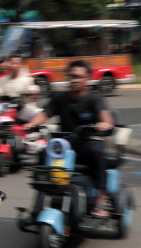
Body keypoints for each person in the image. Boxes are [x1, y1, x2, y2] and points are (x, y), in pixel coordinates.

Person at [26, 59, 114, 217]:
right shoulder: (60, 98)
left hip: (88, 142)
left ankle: (101, 198)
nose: (75, 80)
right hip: (66, 144)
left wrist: (105, 124)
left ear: (87, 78)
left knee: (97, 152)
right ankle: (38, 203)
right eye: (72, 76)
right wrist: (31, 124)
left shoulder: (95, 99)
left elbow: (106, 117)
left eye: (79, 77)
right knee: (44, 154)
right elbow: (45, 114)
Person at [0, 56, 40, 131]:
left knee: (39, 113)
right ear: (8, 65)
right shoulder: (2, 80)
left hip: (23, 107)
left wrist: (33, 93)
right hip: (6, 106)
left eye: (16, 63)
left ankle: (35, 136)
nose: (14, 65)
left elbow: (34, 91)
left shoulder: (27, 79)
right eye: (12, 63)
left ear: (20, 65)